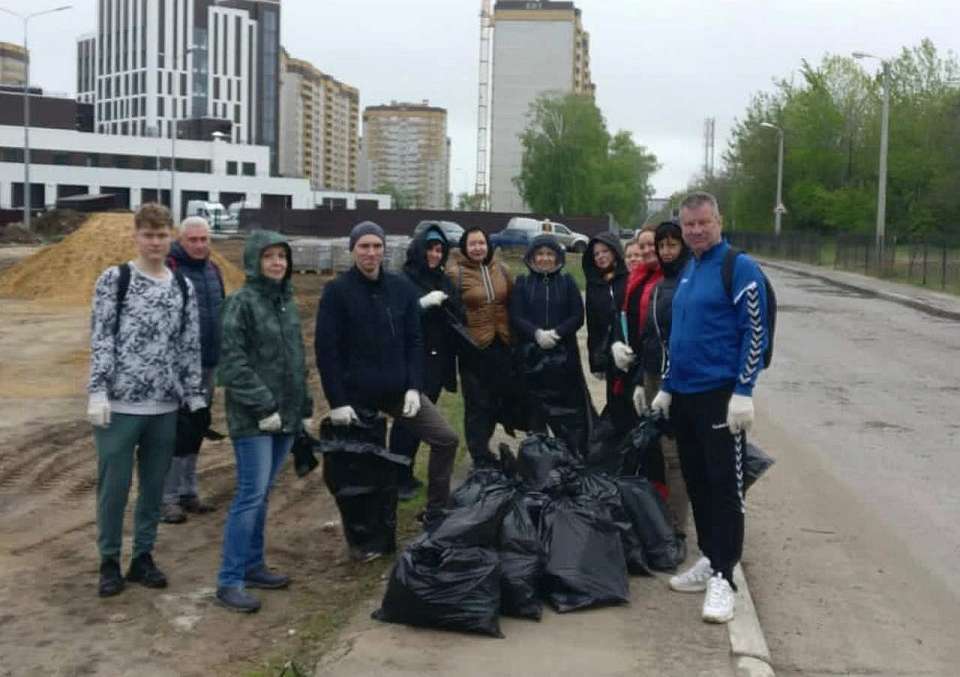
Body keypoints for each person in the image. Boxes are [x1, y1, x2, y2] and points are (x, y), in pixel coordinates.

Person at [650, 192, 769, 624]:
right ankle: (710, 559)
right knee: (698, 482)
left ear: (719, 221)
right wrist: (666, 386)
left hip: (720, 395)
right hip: (684, 396)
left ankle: (726, 576)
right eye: (689, 225)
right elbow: (676, 335)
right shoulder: (689, 269)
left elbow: (755, 331)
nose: (696, 230)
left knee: (725, 488)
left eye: (703, 222)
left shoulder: (737, 267)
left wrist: (744, 389)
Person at [87, 202, 204, 598]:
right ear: (136, 237)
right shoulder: (115, 280)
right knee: (114, 488)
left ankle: (143, 556)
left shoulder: (182, 287)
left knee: (153, 488)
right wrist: (98, 390)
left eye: (161, 235)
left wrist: (194, 394)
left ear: (170, 237)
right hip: (119, 406)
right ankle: (108, 560)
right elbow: (102, 336)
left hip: (164, 407)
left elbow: (188, 345)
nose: (155, 242)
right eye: (148, 235)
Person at [316, 221, 458, 532]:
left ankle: (437, 511)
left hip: (398, 388)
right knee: (366, 467)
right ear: (353, 250)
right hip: (357, 395)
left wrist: (413, 386)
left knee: (446, 439)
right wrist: (337, 401)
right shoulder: (337, 292)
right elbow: (327, 351)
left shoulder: (400, 287)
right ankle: (368, 533)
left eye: (376, 246)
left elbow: (414, 340)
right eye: (364, 246)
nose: (371, 252)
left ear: (384, 250)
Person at [215, 230, 314, 613]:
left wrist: (302, 408)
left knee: (263, 494)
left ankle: (254, 565)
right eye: (269, 256)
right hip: (253, 419)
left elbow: (296, 361)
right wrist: (263, 407)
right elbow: (233, 364)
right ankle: (229, 580)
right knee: (249, 496)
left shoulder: (285, 303)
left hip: (285, 418)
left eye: (282, 257)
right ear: (255, 261)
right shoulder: (241, 303)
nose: (277, 263)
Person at [389, 225, 461, 500]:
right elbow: (396, 319)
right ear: (419, 250)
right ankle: (398, 476)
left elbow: (457, 311)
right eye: (430, 249)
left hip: (437, 361)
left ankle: (405, 475)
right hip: (413, 362)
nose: (434, 254)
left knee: (421, 424)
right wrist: (421, 305)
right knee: (408, 422)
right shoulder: (404, 280)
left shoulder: (442, 280)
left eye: (439, 250)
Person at [161, 216, 225, 524]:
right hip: (179, 368)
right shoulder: (170, 270)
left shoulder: (214, 271)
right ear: (181, 240)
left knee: (198, 426)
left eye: (204, 240)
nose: (200, 245)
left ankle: (188, 491)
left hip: (208, 363)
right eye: (193, 240)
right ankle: (167, 497)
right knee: (176, 431)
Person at [509, 234, 593, 456]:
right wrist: (536, 334)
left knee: (567, 412)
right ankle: (540, 458)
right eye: (540, 254)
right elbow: (516, 316)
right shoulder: (522, 283)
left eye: (549, 254)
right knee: (535, 411)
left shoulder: (567, 283)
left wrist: (556, 333)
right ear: (532, 257)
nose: (545, 258)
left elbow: (577, 315)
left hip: (564, 357)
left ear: (558, 258)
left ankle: (568, 455)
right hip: (531, 357)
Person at [636, 220, 692, 533]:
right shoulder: (659, 286)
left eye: (672, 244)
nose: (666, 251)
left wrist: (669, 384)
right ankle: (662, 515)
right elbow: (649, 335)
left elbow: (685, 340)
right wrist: (640, 382)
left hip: (677, 381)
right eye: (662, 245)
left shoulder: (689, 281)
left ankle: (677, 528)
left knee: (674, 456)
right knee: (656, 448)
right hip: (653, 375)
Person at [445, 227, 516, 467]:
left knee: (498, 398)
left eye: (482, 243)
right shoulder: (456, 274)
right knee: (477, 403)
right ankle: (479, 455)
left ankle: (489, 446)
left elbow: (512, 301)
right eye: (472, 244)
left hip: (502, 344)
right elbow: (450, 311)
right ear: (465, 247)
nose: (478, 248)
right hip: (473, 347)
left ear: (488, 245)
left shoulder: (502, 269)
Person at [582, 232, 630, 428]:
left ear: (615, 252)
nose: (601, 257)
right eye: (596, 254)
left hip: (630, 348)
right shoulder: (594, 285)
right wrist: (596, 361)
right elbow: (593, 324)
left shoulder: (628, 277)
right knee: (616, 400)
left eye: (605, 251)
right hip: (609, 354)